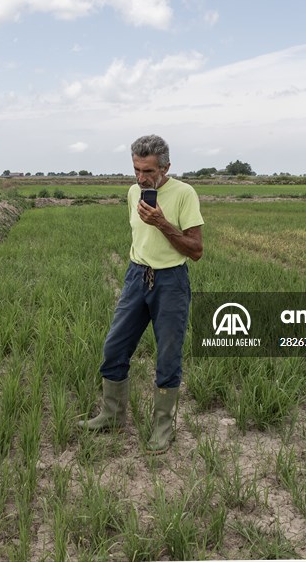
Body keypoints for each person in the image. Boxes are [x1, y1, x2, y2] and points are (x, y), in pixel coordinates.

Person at [79, 134, 204, 454]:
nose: (141, 177)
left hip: (171, 282)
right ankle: (112, 415)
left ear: (166, 167)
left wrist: (162, 222)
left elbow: (196, 250)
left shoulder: (184, 194)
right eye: (136, 169)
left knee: (168, 357)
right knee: (114, 347)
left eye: (148, 171)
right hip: (137, 277)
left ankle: (163, 427)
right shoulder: (133, 192)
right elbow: (139, 238)